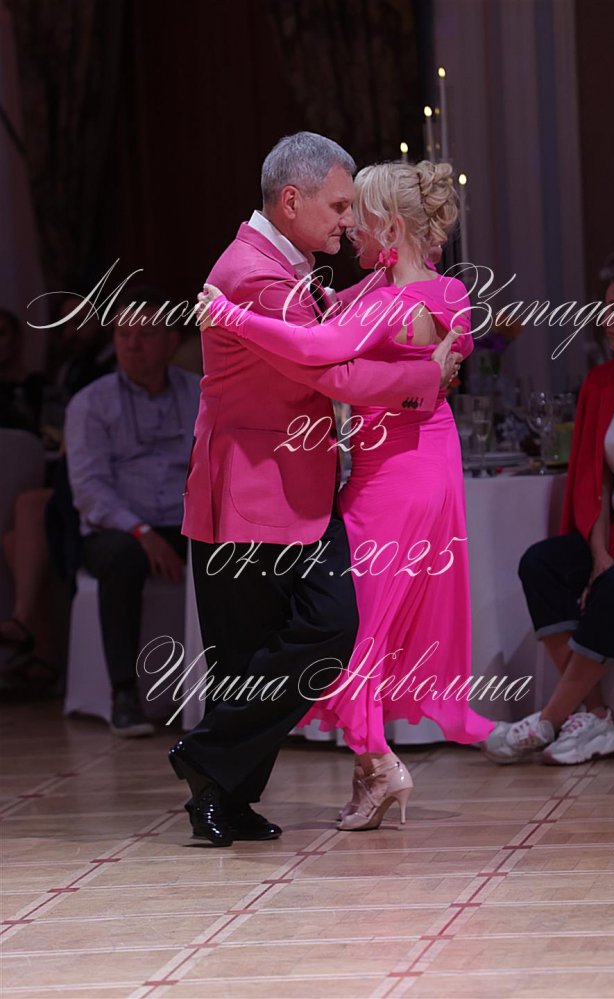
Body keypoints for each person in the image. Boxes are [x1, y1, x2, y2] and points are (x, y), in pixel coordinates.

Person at [168, 132, 464, 848]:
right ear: (291, 200)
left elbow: (342, 322)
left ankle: (215, 770)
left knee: (318, 631)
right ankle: (219, 790)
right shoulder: (251, 274)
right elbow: (328, 370)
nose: (346, 220)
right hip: (250, 490)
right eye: (338, 206)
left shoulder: (286, 263)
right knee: (259, 649)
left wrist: (402, 279)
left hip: (296, 486)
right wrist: (424, 378)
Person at [484, 243, 614, 766]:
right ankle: (596, 714)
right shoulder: (605, 381)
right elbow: (595, 476)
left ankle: (549, 718)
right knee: (540, 564)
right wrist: (601, 549)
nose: (603, 319)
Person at [65, 288, 200, 736]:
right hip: (119, 528)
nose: (132, 344)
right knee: (123, 558)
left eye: (145, 334)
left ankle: (229, 691)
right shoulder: (91, 402)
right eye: (123, 334)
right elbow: (89, 490)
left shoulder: (199, 393)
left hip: (184, 520)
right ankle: (124, 693)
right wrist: (142, 532)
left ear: (171, 341)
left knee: (240, 552)